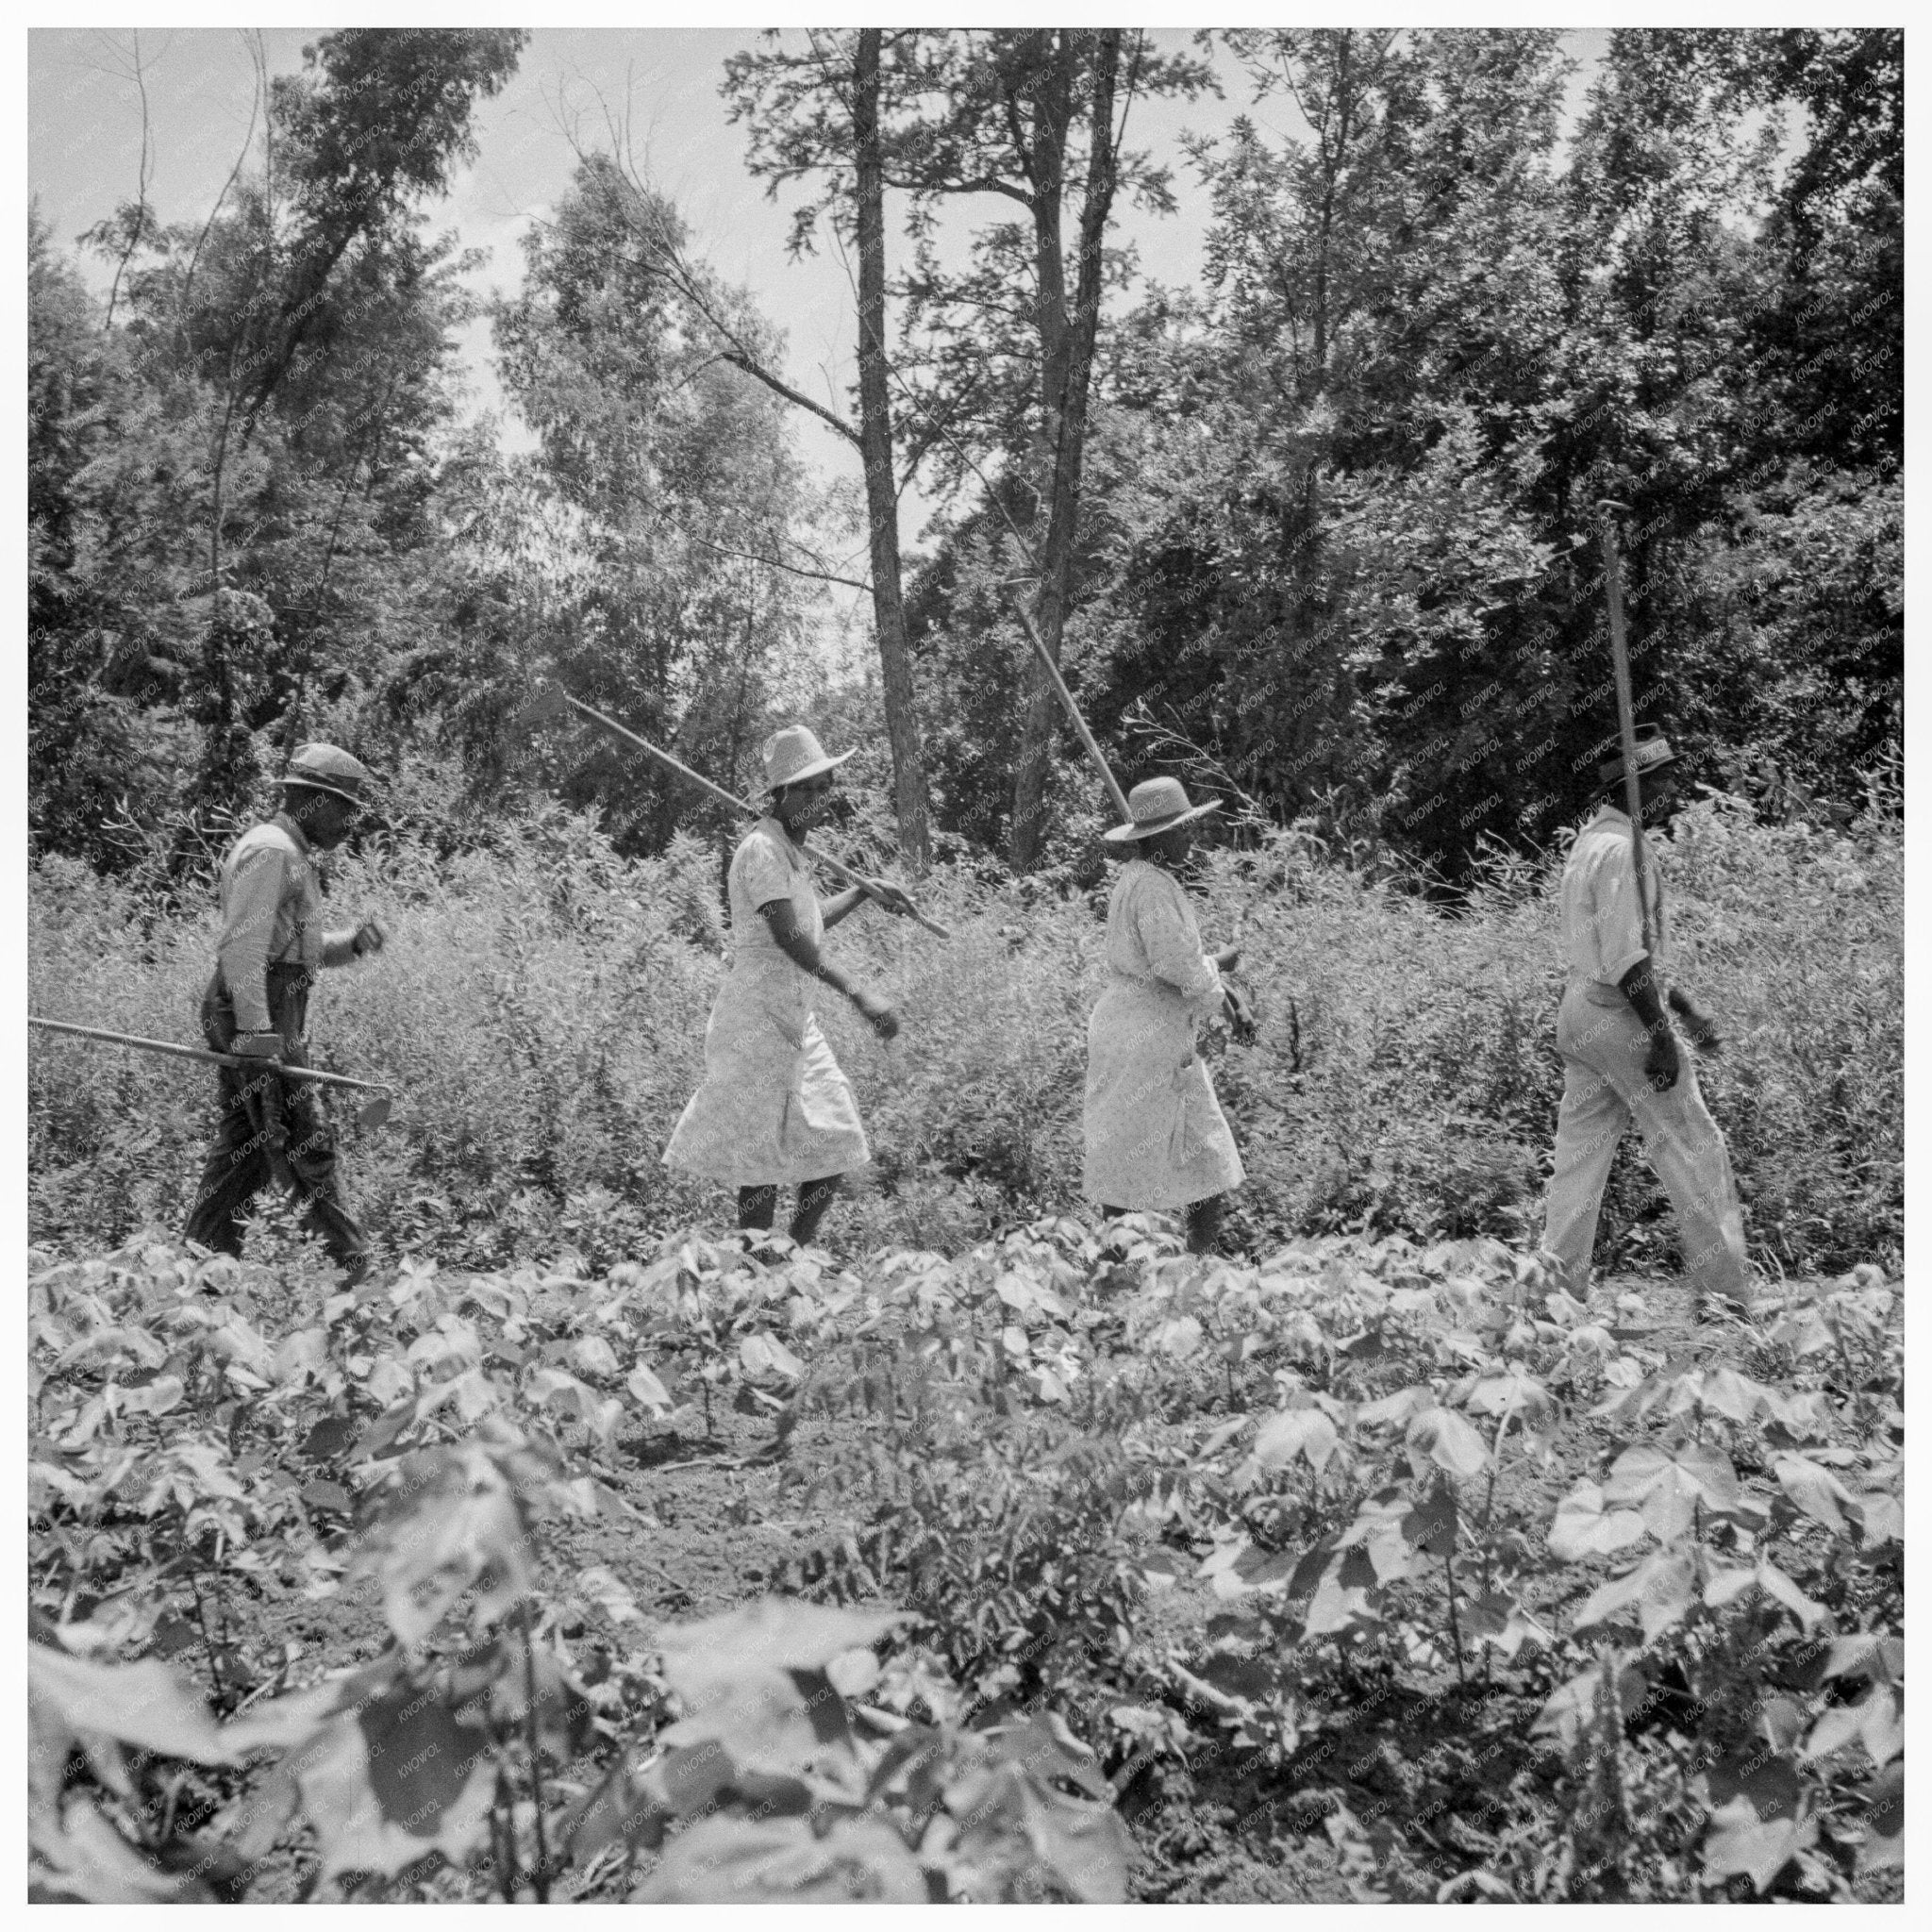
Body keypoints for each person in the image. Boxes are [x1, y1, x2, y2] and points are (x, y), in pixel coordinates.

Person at [663, 725, 914, 1247]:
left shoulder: (790, 851)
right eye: (808, 789)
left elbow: (811, 921)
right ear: (781, 794)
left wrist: (865, 894)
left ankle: (793, 1258)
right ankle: (756, 1271)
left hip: (796, 1014)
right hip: (755, 1017)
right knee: (761, 1157)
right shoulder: (761, 850)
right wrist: (859, 993)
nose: (820, 800)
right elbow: (790, 939)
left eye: (826, 788)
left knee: (837, 1135)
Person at [1541, 726, 1755, 1319]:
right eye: (1661, 778)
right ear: (1634, 787)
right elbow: (1628, 959)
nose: (1673, 786)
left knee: (1579, 1161)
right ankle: (1725, 1297)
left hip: (1582, 1009)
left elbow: (1629, 948)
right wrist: (1661, 1037)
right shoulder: (1622, 851)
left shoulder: (1592, 844)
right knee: (1691, 1146)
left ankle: (1552, 1295)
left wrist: (1685, 1008)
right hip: (1620, 1018)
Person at [184, 743, 388, 1284]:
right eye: (344, 808)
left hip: (275, 1008)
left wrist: (353, 945)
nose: (349, 823)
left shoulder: (290, 855)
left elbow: (295, 945)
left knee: (246, 1151)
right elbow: (244, 949)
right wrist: (257, 1032)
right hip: (257, 1010)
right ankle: (358, 1276)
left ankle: (197, 1272)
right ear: (313, 800)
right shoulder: (272, 851)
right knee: (303, 1142)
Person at [1085, 775, 1247, 1255]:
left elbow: (1171, 962)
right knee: (1140, 1154)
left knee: (1201, 1147)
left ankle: (1189, 1263)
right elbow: (1174, 965)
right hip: (1146, 1034)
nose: (1190, 839)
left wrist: (1217, 970)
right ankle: (1131, 1265)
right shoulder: (1151, 886)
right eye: (1182, 830)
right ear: (1156, 838)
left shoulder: (1140, 881)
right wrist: (1223, 986)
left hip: (1140, 1026)